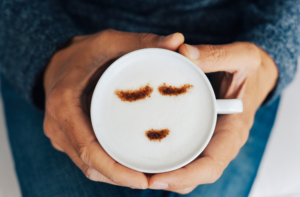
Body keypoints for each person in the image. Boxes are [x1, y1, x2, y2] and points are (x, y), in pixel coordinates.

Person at [0, 0, 299, 196]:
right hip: (56, 33)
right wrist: (44, 51)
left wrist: (269, 52)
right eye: (134, 97)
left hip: (231, 50)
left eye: (172, 94)